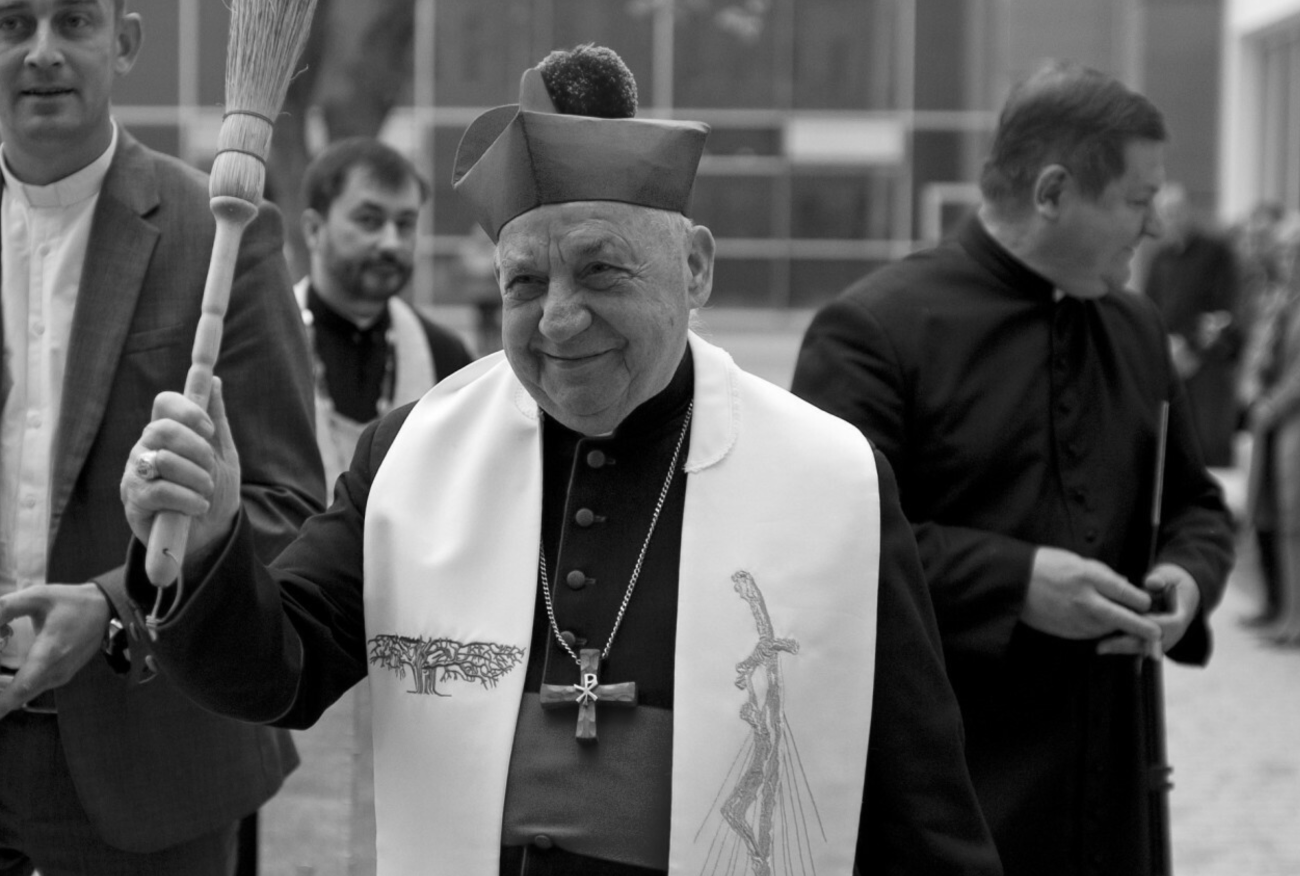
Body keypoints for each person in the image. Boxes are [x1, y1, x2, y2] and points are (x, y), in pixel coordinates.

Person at [119, 45, 1003, 876]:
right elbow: (279, 668)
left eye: (602, 272)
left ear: (693, 268)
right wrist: (207, 545)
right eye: (526, 283)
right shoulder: (414, 450)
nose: (557, 320)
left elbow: (917, 803)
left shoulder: (829, 477)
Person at [792, 62, 1234, 876]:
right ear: (1054, 192)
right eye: (1138, 202)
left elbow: (1197, 506)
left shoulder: (1135, 326)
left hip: (1115, 785)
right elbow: (828, 553)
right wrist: (1015, 579)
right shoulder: (872, 329)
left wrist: (1186, 574)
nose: (1155, 232)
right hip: (958, 789)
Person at [0, 1, 324, 874]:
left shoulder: (217, 234)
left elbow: (285, 503)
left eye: (71, 21)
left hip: (145, 764)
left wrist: (114, 609)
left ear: (125, 40)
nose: (40, 53)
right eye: (12, 23)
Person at [297, 137, 472, 488]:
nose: (391, 242)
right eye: (369, 220)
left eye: (405, 223)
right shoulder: (261, 345)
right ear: (314, 230)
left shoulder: (448, 360)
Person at [1144, 182, 1243, 468]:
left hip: (1206, 363)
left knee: (1205, 447)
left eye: (1176, 210)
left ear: (1190, 211)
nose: (1171, 217)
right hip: (1169, 360)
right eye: (1165, 212)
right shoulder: (1159, 259)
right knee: (1171, 446)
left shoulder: (1216, 253)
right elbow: (1148, 307)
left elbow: (1225, 310)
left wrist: (1190, 345)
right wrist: (1166, 345)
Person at [1244, 218, 1300, 644]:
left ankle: (1295, 621)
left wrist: (1273, 404)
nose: (1287, 259)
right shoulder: (1282, 298)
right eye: (1283, 251)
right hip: (1276, 427)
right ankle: (1283, 611)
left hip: (1291, 422)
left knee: (1295, 523)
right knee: (1277, 520)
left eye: (1292, 250)